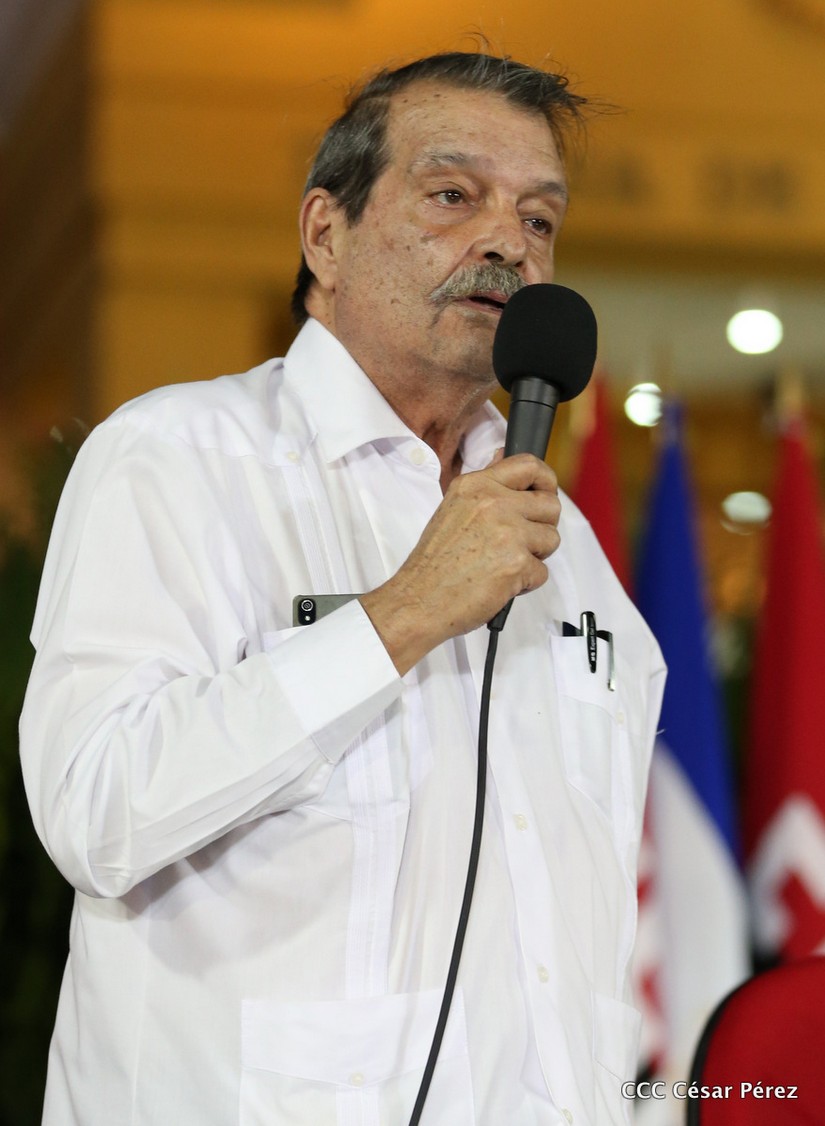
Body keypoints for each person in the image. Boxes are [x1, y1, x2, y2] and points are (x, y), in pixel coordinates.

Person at [19, 52, 665, 1126]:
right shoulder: (178, 457)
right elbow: (97, 808)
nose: (508, 242)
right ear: (325, 233)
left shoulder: (573, 553)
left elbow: (585, 932)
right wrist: (399, 614)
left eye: (538, 218)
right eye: (453, 195)